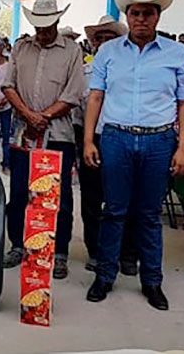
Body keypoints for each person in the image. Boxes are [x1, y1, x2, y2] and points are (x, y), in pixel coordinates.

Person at [84, 0, 184, 311]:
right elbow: (95, 97)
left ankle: (152, 281)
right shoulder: (108, 52)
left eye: (148, 13)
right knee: (114, 210)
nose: (142, 19)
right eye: (136, 13)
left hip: (159, 140)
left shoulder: (176, 53)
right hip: (116, 137)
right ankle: (105, 276)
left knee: (148, 215)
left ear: (158, 16)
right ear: (128, 17)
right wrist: (90, 139)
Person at [1, 0, 85, 280]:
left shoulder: (72, 50)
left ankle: (59, 251)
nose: (44, 31)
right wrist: (28, 114)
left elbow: (73, 94)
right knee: (20, 191)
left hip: (58, 133)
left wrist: (44, 116)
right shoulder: (21, 48)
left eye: (49, 25)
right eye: (39, 26)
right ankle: (18, 245)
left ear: (58, 21)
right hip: (24, 131)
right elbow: (8, 86)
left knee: (57, 196)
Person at [73, 15, 128, 272]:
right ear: (93, 43)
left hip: (124, 137)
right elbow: (77, 112)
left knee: (123, 199)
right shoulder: (84, 72)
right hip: (91, 138)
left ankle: (126, 253)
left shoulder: (130, 69)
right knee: (92, 199)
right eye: (99, 38)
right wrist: (83, 143)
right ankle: (95, 250)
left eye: (110, 38)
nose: (104, 42)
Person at [0, 38, 11, 173]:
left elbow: (11, 82)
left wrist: (5, 98)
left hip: (7, 104)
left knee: (6, 135)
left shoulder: (9, 64)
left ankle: (6, 163)